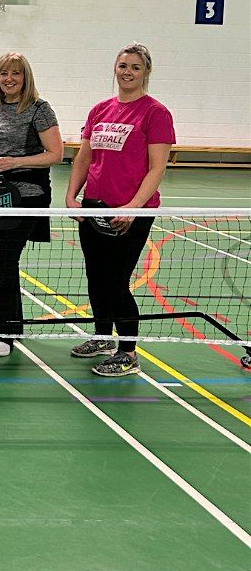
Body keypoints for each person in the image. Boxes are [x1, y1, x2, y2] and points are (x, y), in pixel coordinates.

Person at [65, 43, 174, 377]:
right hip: (94, 206)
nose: (128, 72)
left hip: (131, 212)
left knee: (116, 281)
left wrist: (133, 207)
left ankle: (127, 352)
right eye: (123, 66)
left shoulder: (155, 113)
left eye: (135, 67)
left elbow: (157, 168)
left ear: (146, 72)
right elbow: (84, 157)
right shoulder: (100, 110)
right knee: (96, 277)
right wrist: (72, 196)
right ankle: (102, 336)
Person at [0, 53, 63, 358]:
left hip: (27, 196)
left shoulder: (39, 109)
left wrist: (15, 162)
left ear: (26, 78)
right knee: (2, 259)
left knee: (6, 260)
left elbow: (55, 154)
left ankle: (2, 332)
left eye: (16, 74)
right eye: (4, 74)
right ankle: (14, 323)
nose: (9, 79)